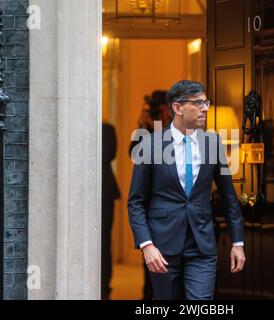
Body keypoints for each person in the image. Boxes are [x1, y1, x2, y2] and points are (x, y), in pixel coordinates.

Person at [128, 80, 245, 300]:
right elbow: (136, 201)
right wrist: (146, 245)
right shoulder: (149, 145)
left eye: (206, 102)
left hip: (201, 246)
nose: (205, 108)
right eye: (198, 103)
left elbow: (229, 197)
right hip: (161, 247)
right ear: (178, 108)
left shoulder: (212, 143)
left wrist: (238, 242)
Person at [129, 90, 171, 300]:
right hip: (151, 204)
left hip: (170, 204)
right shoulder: (145, 132)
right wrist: (143, 125)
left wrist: (160, 124)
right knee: (150, 255)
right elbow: (134, 154)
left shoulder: (177, 130)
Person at [102, 123, 121, 300]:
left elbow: (108, 155)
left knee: (104, 242)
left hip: (105, 193)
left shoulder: (107, 129)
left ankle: (104, 287)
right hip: (79, 191)